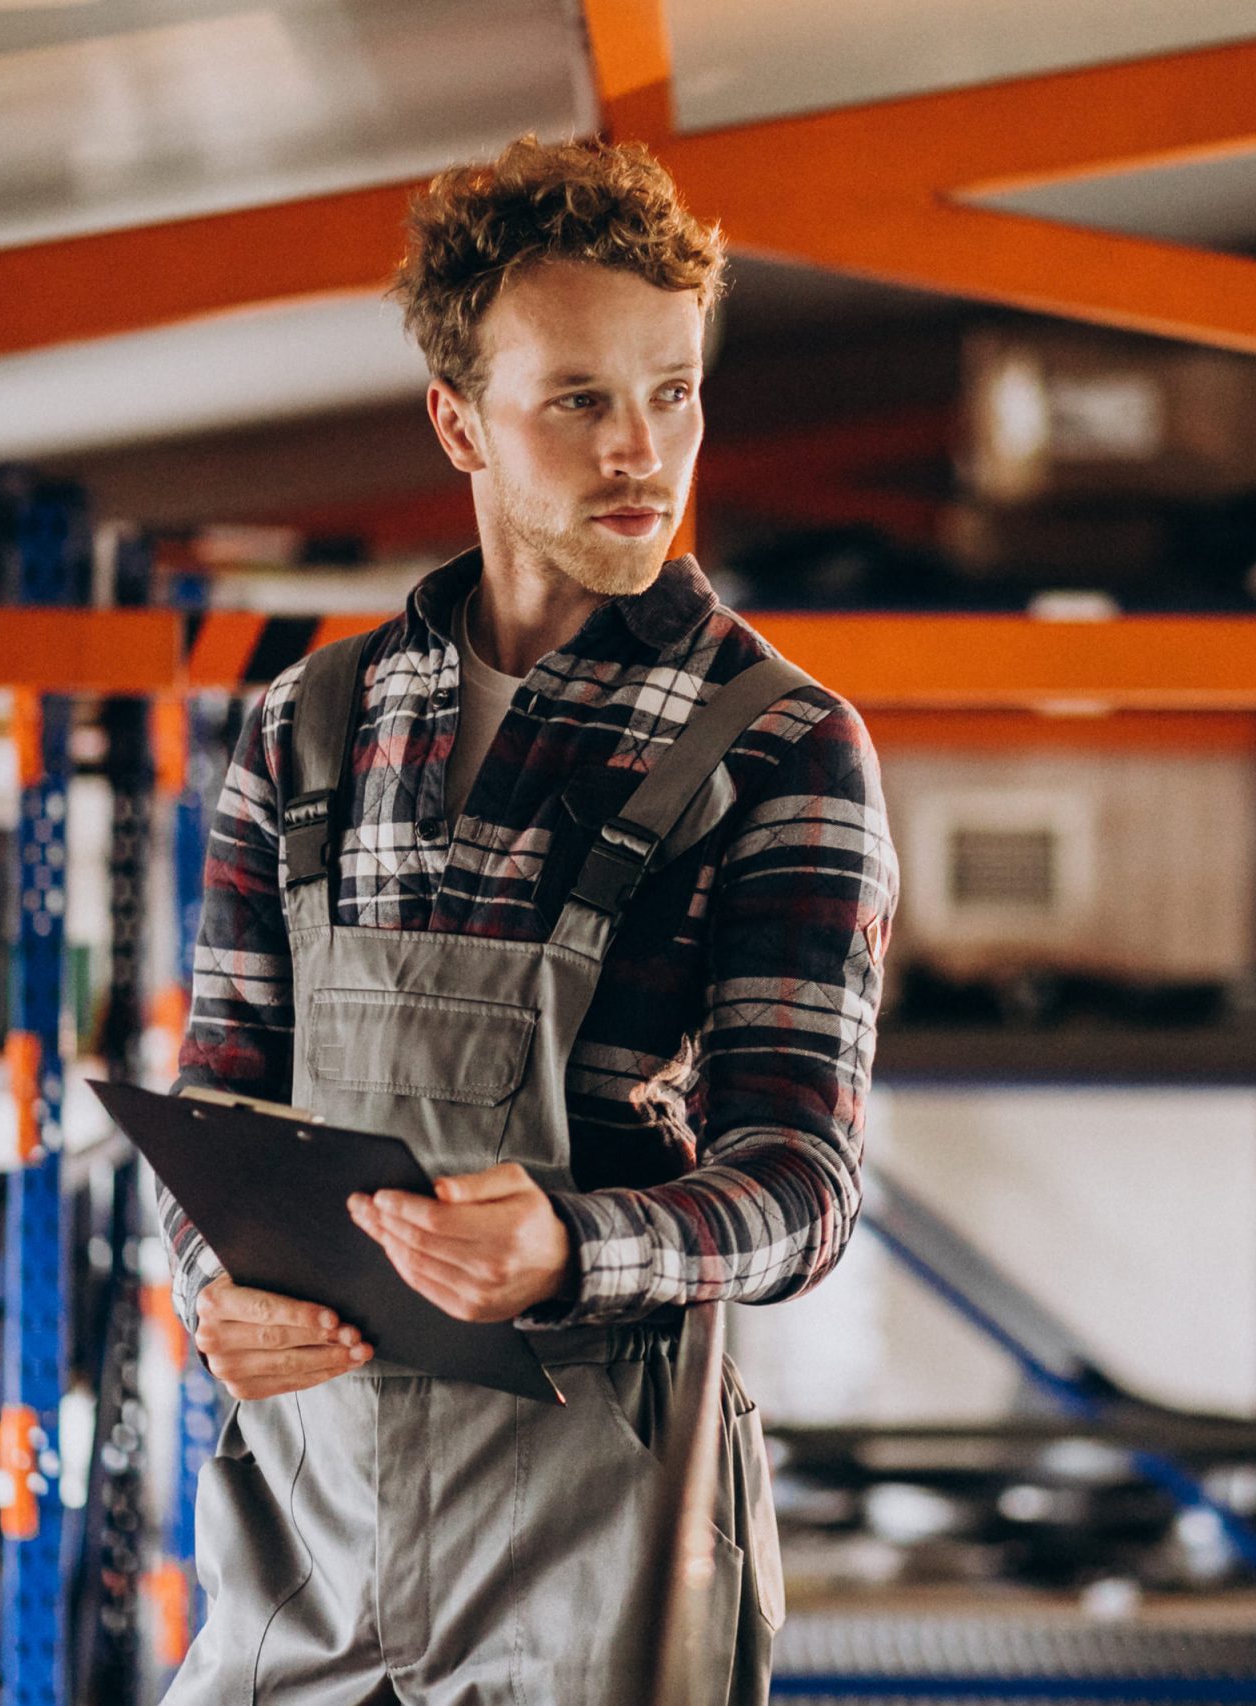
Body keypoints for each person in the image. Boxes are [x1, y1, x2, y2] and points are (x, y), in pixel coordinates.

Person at [156, 131, 901, 1705]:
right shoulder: (306, 725)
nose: (644, 449)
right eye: (579, 399)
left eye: (675, 389)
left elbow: (805, 1185)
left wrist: (578, 1242)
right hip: (307, 1527)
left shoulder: (780, 746)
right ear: (459, 422)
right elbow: (220, 1101)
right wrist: (208, 1288)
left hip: (599, 1552)